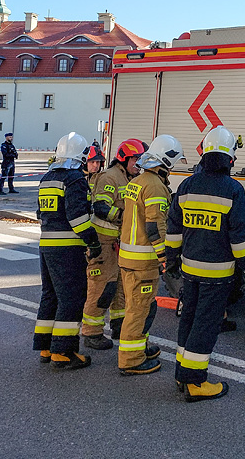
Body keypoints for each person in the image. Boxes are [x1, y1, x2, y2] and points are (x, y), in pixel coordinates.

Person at [165, 126, 245, 401]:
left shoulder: (187, 185)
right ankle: (195, 382)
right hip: (218, 273)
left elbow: (174, 227)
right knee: (205, 325)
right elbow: (239, 236)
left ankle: (182, 372)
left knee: (189, 320)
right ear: (229, 158)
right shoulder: (233, 190)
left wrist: (171, 259)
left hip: (189, 270)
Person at [33, 132, 102, 370]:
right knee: (71, 299)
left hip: (46, 246)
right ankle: (63, 352)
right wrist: (93, 242)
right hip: (68, 248)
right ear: (81, 156)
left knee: (50, 295)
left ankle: (45, 345)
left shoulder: (47, 178)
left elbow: (40, 214)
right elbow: (79, 218)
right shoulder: (74, 179)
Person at [117, 134, 184, 376]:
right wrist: (166, 258)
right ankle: (131, 359)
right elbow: (156, 226)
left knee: (139, 307)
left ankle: (139, 347)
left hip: (129, 258)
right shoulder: (154, 185)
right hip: (142, 261)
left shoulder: (138, 180)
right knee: (139, 310)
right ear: (166, 161)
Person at [81, 138, 146, 351]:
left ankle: (118, 326)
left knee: (120, 287)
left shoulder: (130, 178)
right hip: (104, 241)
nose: (139, 164)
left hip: (119, 243)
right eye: (136, 159)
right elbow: (101, 207)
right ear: (124, 158)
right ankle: (92, 332)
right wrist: (126, 218)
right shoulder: (110, 177)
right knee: (101, 286)